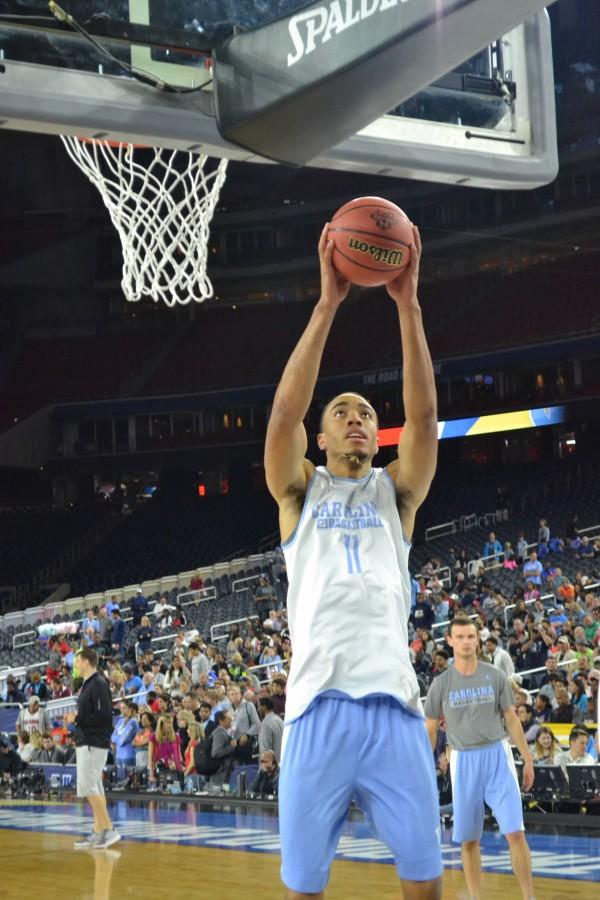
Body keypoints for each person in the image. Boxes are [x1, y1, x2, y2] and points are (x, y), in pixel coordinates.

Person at [264, 223, 442, 899]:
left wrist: (409, 304)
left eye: (367, 412)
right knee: (304, 889)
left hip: (395, 711)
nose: (357, 418)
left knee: (423, 885)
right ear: (321, 433)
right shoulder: (299, 491)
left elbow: (423, 421)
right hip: (315, 711)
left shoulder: (395, 495)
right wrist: (326, 305)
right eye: (342, 411)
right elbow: (283, 414)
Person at [425, 616, 535, 900]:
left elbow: (511, 719)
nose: (465, 642)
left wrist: (528, 759)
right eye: (459, 637)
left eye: (470, 636)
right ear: (449, 641)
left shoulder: (495, 676)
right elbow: (431, 728)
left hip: (498, 755)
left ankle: (529, 896)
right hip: (463, 762)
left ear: (478, 639)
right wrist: (425, 765)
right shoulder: (440, 684)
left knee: (515, 832)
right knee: (470, 840)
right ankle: (474, 897)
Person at [69, 648, 121, 849]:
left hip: (94, 742)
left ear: (87, 661)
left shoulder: (98, 684)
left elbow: (103, 716)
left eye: (78, 660)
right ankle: (99, 831)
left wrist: (76, 718)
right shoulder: (88, 684)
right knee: (95, 787)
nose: (76, 664)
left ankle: (109, 828)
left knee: (88, 786)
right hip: (87, 740)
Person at [147, 714, 183, 790]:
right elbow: (150, 757)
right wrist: (151, 774)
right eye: (168, 723)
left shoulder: (176, 736)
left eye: (171, 722)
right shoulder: (153, 737)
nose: (170, 725)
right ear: (161, 724)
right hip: (160, 769)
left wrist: (181, 767)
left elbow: (179, 755)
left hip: (174, 769)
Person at [208, 709, 237, 786]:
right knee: (218, 794)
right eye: (228, 718)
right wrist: (231, 747)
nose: (231, 720)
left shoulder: (222, 732)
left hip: (222, 771)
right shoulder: (220, 733)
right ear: (221, 721)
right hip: (219, 773)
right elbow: (215, 753)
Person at [111, 700, 139, 778]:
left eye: (124, 708)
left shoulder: (133, 722)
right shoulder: (120, 721)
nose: (122, 710)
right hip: (118, 755)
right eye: (121, 708)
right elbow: (112, 736)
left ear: (130, 709)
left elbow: (123, 740)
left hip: (129, 755)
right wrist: (116, 739)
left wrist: (116, 740)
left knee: (128, 779)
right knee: (120, 779)